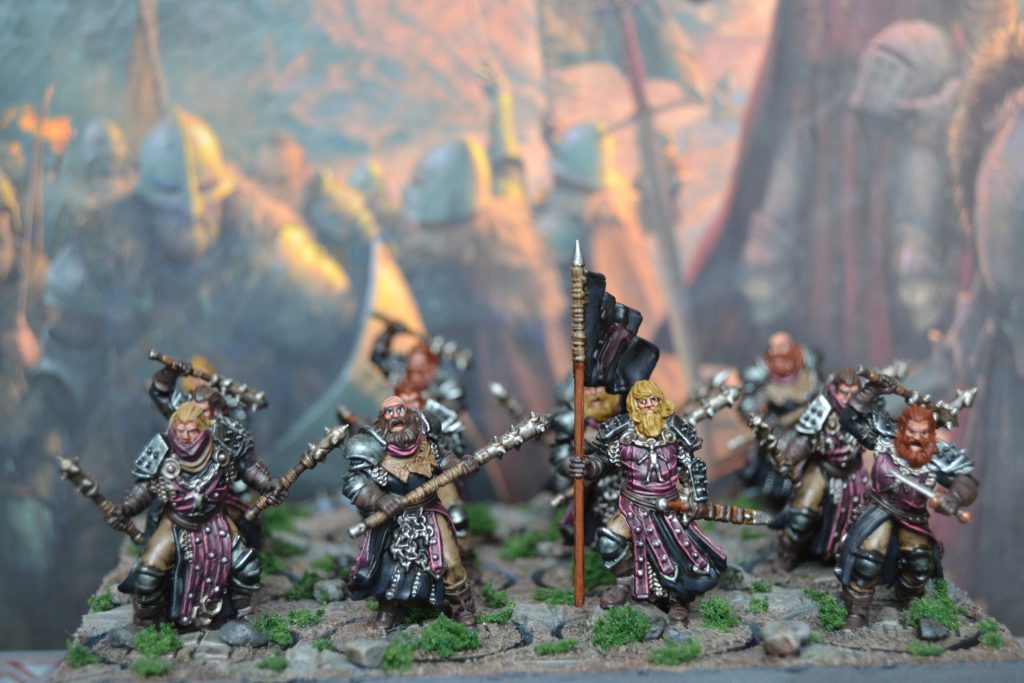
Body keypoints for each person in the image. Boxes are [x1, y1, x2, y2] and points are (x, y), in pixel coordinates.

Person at [108, 401, 286, 627]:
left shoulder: (222, 441)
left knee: (246, 566)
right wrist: (126, 508)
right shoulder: (163, 447)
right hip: (174, 523)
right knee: (147, 574)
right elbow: (143, 487)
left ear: (203, 427)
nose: (185, 436)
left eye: (191, 431)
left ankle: (241, 614)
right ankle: (146, 623)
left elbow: (248, 468)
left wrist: (268, 485)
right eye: (180, 431)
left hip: (216, 520)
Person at [569, 380, 726, 625]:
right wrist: (588, 466)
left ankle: (677, 599)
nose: (649, 405)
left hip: (668, 507)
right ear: (634, 405)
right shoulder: (625, 436)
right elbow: (605, 460)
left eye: (653, 400)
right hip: (633, 505)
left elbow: (691, 467)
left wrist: (695, 497)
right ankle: (624, 583)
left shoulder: (673, 433)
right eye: (643, 401)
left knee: (676, 554)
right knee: (609, 541)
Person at [836, 376, 978, 628]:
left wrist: (954, 497)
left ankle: (908, 600)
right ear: (902, 430)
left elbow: (967, 482)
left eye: (923, 434)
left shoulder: (937, 456)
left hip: (913, 517)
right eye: (912, 432)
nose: (916, 439)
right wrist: (871, 390)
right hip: (878, 509)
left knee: (921, 562)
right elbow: (850, 419)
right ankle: (857, 611)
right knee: (868, 558)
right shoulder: (884, 439)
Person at [342, 396, 481, 629]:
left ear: (409, 414)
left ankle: (462, 608)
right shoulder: (371, 447)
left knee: (450, 561)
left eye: (400, 410)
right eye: (389, 412)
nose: (396, 417)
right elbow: (355, 483)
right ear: (382, 419)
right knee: (390, 567)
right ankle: (390, 609)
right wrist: (379, 499)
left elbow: (445, 459)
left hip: (429, 511)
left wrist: (461, 465)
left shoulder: (426, 440)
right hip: (394, 518)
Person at [773, 367, 869, 570]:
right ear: (835, 390)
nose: (848, 398)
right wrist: (789, 459)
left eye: (853, 393)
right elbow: (803, 440)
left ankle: (851, 561)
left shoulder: (865, 409)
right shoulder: (822, 408)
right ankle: (786, 554)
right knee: (801, 516)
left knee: (864, 520)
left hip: (854, 473)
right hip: (822, 468)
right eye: (844, 393)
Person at [738, 332, 822, 500]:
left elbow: (821, 394)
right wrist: (760, 419)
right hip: (776, 431)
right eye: (775, 351)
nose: (781, 360)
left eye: (784, 349)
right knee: (769, 462)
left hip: (807, 429)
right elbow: (747, 406)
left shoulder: (809, 372)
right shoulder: (761, 376)